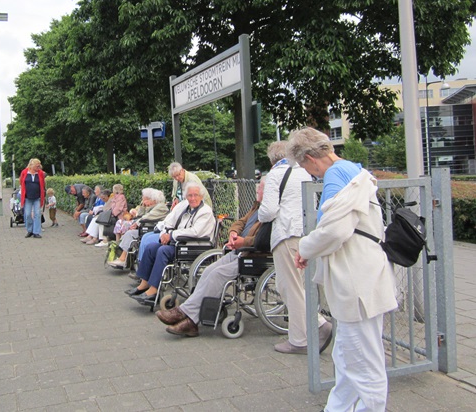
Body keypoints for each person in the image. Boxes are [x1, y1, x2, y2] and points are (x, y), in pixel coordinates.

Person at [289, 127, 397, 412]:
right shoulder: (352, 169)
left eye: (304, 166)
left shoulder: (335, 176)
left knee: (362, 363)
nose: (309, 173)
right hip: (366, 276)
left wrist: (305, 247)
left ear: (311, 157)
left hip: (355, 283)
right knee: (350, 358)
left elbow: (334, 230)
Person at [156, 179, 267, 336]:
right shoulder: (257, 206)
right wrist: (233, 233)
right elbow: (240, 222)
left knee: (217, 274)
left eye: (260, 188)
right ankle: (187, 314)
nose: (257, 191)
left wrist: (244, 241)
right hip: (239, 250)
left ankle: (189, 318)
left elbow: (264, 241)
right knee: (209, 270)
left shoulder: (272, 213)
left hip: (253, 254)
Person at [257, 141, 332, 354]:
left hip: (286, 234)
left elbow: (268, 211)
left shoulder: (275, 174)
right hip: (306, 234)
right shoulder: (304, 173)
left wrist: (263, 215)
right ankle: (315, 327)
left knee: (288, 287)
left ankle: (302, 338)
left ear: (272, 159)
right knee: (298, 286)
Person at [127, 182, 215, 306]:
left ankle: (153, 291)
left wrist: (171, 235)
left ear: (201, 196)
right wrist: (165, 233)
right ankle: (144, 284)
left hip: (195, 246)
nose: (193, 198)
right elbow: (170, 221)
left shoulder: (205, 211)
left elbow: (195, 232)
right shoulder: (185, 207)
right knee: (151, 247)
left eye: (196, 195)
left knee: (162, 251)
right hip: (179, 243)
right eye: (190, 195)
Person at [107, 188, 169, 268]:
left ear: (154, 200)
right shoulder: (153, 206)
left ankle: (123, 259)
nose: (144, 201)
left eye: (146, 199)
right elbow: (140, 215)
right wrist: (142, 206)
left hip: (151, 229)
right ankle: (123, 257)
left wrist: (137, 223)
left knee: (130, 233)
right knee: (128, 230)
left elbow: (147, 217)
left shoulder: (161, 207)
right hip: (146, 227)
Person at [19, 158, 45, 239]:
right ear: (31, 165)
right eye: (37, 165)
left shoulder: (40, 173)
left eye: (39, 165)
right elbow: (21, 182)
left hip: (37, 197)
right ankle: (29, 230)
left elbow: (43, 183)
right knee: (27, 214)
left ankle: (36, 232)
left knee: (37, 214)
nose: (38, 167)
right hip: (27, 197)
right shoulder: (24, 172)